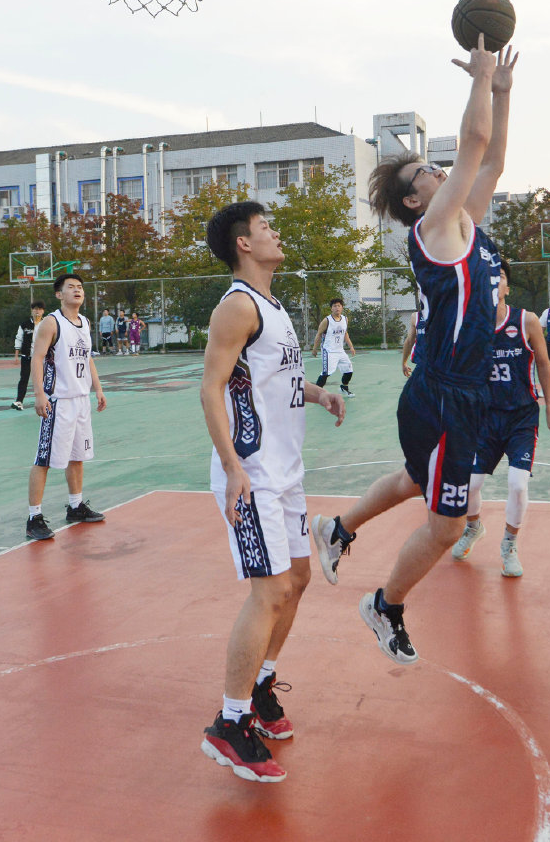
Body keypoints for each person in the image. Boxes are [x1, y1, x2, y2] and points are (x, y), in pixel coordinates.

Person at [309, 38, 515, 666]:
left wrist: (501, 95)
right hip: (442, 393)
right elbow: (473, 146)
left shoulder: (461, 224)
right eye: (424, 172)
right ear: (412, 201)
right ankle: (386, 605)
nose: (435, 172)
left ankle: (336, 529)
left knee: (413, 479)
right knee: (447, 522)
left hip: (462, 392)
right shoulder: (431, 229)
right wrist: (479, 80)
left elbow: (492, 162)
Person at [198, 200, 346, 784]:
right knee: (270, 591)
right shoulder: (237, 307)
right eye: (265, 228)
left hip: (286, 473)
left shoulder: (274, 308)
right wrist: (233, 466)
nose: (275, 233)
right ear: (244, 245)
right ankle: (228, 724)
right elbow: (211, 390)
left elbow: (273, 378)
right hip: (252, 473)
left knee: (301, 578)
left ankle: (260, 688)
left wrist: (317, 393)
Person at [450, 259, 550, 577]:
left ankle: (509, 545)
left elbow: (543, 364)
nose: (492, 282)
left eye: (498, 277)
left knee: (517, 485)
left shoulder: (526, 320)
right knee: (469, 485)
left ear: (506, 287)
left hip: (520, 417)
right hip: (485, 419)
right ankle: (473, 528)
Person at [25, 274, 108, 540]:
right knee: (45, 459)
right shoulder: (51, 322)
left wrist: (98, 388)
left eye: (80, 287)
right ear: (59, 294)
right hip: (58, 400)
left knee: (77, 456)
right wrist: (39, 394)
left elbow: (88, 358)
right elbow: (37, 359)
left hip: (81, 400)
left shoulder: (84, 322)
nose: (77, 291)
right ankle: (34, 517)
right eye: (70, 287)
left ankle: (76, 506)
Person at [311, 298, 356, 397]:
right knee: (326, 373)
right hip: (329, 351)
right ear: (331, 308)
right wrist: (315, 348)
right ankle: (316, 393)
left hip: (340, 351)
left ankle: (344, 387)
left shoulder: (345, 319)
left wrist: (351, 347)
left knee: (349, 370)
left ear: (342, 307)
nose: (337, 308)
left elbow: (345, 334)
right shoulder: (327, 320)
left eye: (339, 306)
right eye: (335, 306)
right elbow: (318, 334)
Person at [11, 302, 45, 410]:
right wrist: (16, 355)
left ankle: (45, 400)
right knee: (24, 378)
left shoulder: (46, 324)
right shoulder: (24, 324)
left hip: (41, 358)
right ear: (32, 310)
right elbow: (19, 338)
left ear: (43, 311)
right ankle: (19, 401)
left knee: (42, 379)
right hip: (26, 356)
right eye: (35, 309)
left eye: (39, 309)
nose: (37, 311)